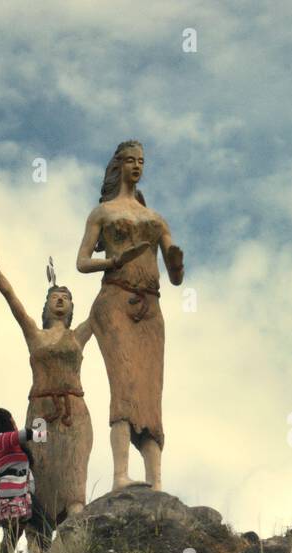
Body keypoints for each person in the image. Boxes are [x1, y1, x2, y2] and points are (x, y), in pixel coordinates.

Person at [75, 140, 185, 491]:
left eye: (142, 161)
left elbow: (175, 273)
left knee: (151, 392)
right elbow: (81, 262)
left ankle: (156, 481)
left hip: (151, 307)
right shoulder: (103, 213)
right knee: (124, 385)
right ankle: (120, 475)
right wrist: (113, 261)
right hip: (116, 301)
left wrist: (176, 262)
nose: (137, 166)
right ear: (118, 165)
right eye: (131, 160)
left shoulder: (155, 218)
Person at [0, 231, 94, 533]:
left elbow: (102, 307)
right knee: (37, 477)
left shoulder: (77, 335)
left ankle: (74, 542)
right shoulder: (34, 335)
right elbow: (11, 299)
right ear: (47, 306)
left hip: (73, 415)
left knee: (73, 482)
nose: (61, 300)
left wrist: (118, 265)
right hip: (40, 413)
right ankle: (37, 548)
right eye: (55, 297)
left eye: (66, 298)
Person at [0, 408, 39, 553]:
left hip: (17, 496)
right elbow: (25, 434)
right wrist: (39, 434)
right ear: (6, 423)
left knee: (13, 534)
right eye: (12, 421)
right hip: (16, 497)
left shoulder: (10, 445)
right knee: (44, 524)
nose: (15, 424)